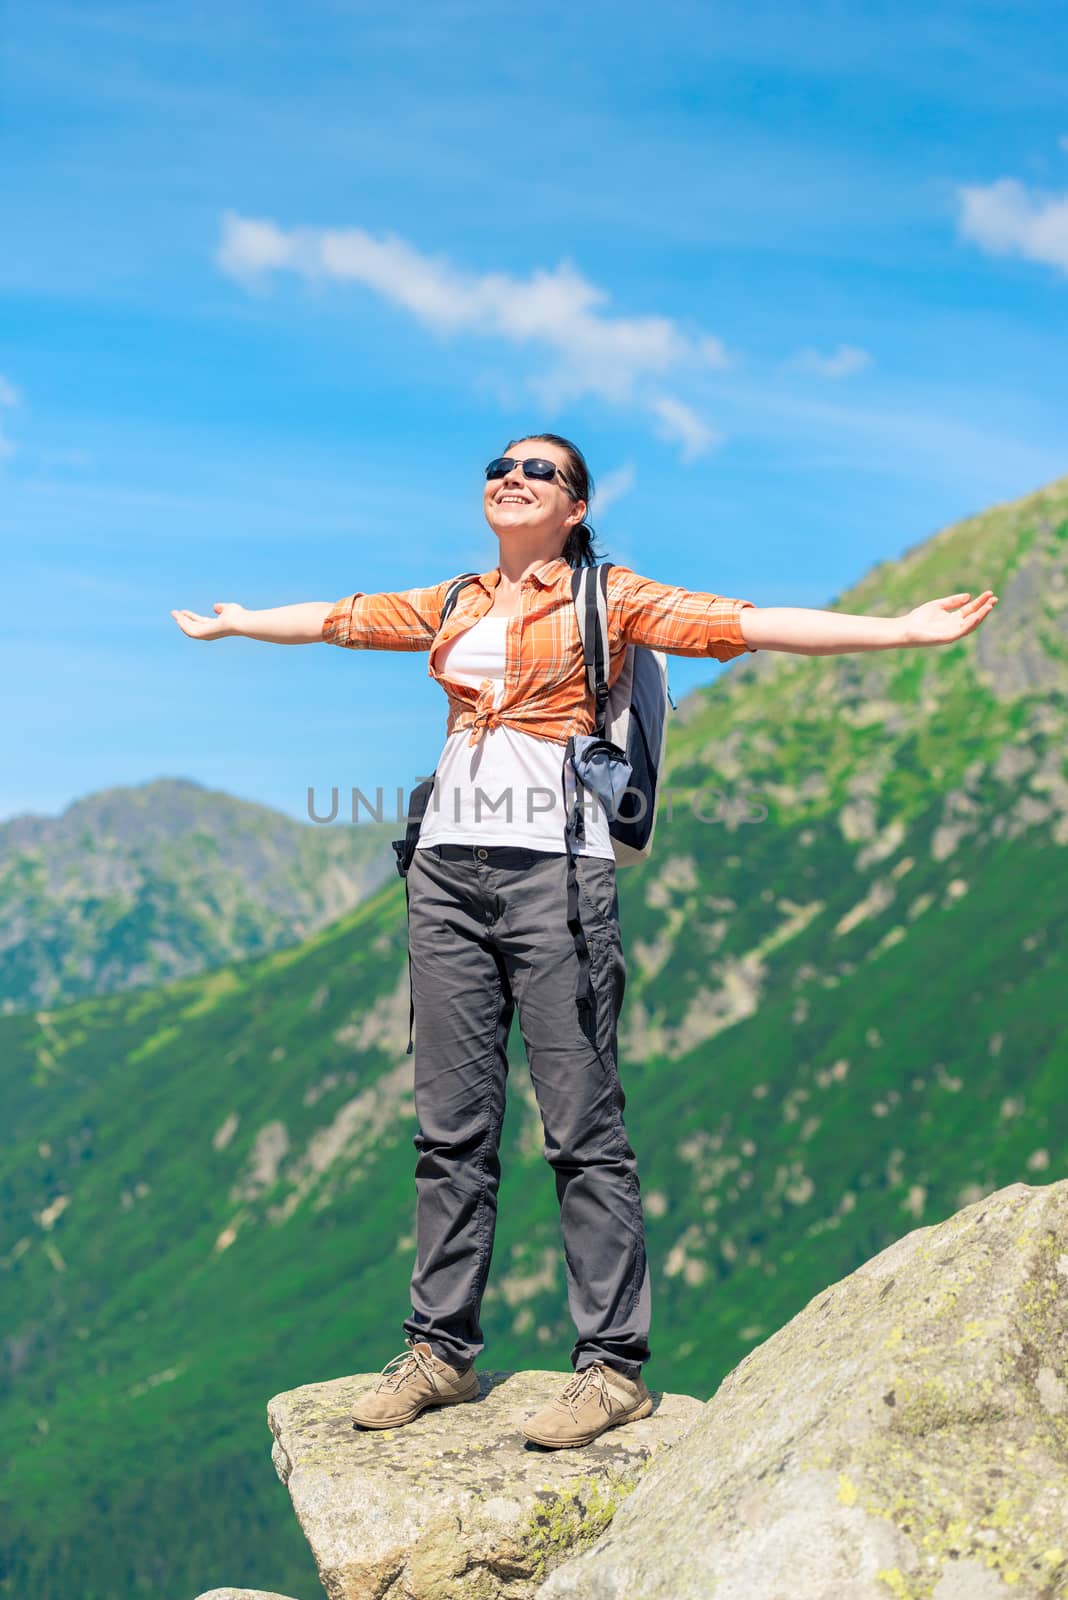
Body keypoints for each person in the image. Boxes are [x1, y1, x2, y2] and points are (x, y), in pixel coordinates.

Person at [171, 433, 997, 1450]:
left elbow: (742, 622)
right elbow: (341, 618)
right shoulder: (454, 599)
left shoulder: (609, 599)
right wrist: (242, 622)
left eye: (539, 472)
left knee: (580, 1125)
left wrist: (901, 631)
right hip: (443, 868)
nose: (511, 479)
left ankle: (611, 1369)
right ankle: (440, 1351)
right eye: (498, 466)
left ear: (574, 507)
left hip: (555, 869)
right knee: (450, 1126)